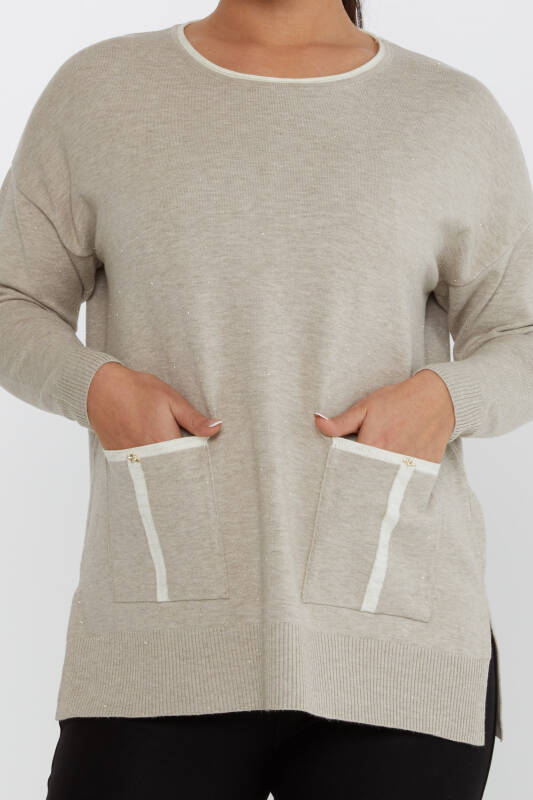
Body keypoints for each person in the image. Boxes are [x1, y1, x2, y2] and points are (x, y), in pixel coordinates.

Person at [1, 1, 530, 797]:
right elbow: (12, 299)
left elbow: (519, 333)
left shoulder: (449, 112)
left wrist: (441, 400)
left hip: (395, 642)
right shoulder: (102, 91)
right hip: (161, 637)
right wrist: (99, 388)